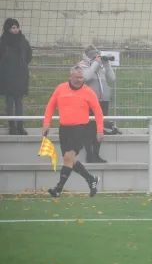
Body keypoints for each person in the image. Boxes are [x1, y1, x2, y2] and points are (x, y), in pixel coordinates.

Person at [42, 65, 104, 198]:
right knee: (69, 160)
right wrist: (46, 123)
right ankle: (91, 179)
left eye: (81, 78)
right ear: (70, 77)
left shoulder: (88, 92)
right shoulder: (61, 88)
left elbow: (98, 112)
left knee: (68, 158)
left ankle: (58, 189)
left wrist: (100, 130)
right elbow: (51, 105)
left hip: (80, 129)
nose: (79, 80)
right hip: (64, 129)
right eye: (76, 77)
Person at [78, 45, 118, 163]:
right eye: (96, 55)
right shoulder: (81, 65)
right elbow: (86, 77)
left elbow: (112, 78)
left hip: (103, 101)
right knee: (89, 129)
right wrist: (95, 63)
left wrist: (107, 65)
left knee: (99, 129)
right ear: (89, 56)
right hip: (89, 101)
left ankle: (96, 154)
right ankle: (89, 155)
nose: (98, 57)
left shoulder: (101, 66)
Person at [0, 18, 33, 135]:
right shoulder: (3, 41)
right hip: (7, 76)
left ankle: (20, 126)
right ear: (8, 29)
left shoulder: (23, 41)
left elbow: (29, 54)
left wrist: (22, 64)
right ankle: (12, 126)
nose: (16, 30)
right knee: (9, 102)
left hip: (20, 76)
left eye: (17, 27)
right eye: (13, 27)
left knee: (19, 102)